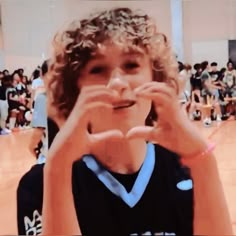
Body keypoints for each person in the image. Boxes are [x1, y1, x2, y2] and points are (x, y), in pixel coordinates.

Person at [17, 7, 232, 236]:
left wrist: (204, 160)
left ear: (156, 76)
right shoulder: (40, 183)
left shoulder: (188, 170)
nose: (117, 82)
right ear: (73, 89)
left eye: (131, 65)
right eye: (98, 69)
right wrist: (58, 170)